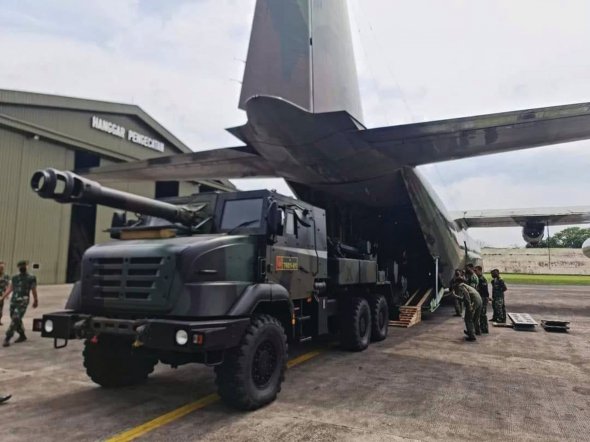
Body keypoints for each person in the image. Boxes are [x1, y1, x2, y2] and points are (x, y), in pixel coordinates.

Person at [2, 260, 38, 347]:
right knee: (15, 318)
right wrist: (3, 297)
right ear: (18, 267)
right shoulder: (15, 277)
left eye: (24, 265)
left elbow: (33, 289)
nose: (22, 267)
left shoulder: (31, 277)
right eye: (21, 266)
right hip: (14, 301)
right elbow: (10, 288)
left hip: (23, 301)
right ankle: (22, 335)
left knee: (16, 318)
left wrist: (36, 300)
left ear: (27, 266)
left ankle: (7, 337)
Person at [474, 266, 489, 334]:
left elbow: (484, 290)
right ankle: (482, 328)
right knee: (480, 314)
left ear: (480, 270)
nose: (475, 272)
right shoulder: (479, 278)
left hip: (483, 297)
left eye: (476, 270)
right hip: (481, 297)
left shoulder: (482, 279)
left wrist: (486, 298)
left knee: (482, 314)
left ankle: (484, 328)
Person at [0, 261, 10, 326]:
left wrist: (6, 294)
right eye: (0, 267)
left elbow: (7, 285)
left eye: (2, 268)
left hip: (1, 295)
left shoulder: (6, 276)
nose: (1, 269)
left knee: (0, 308)